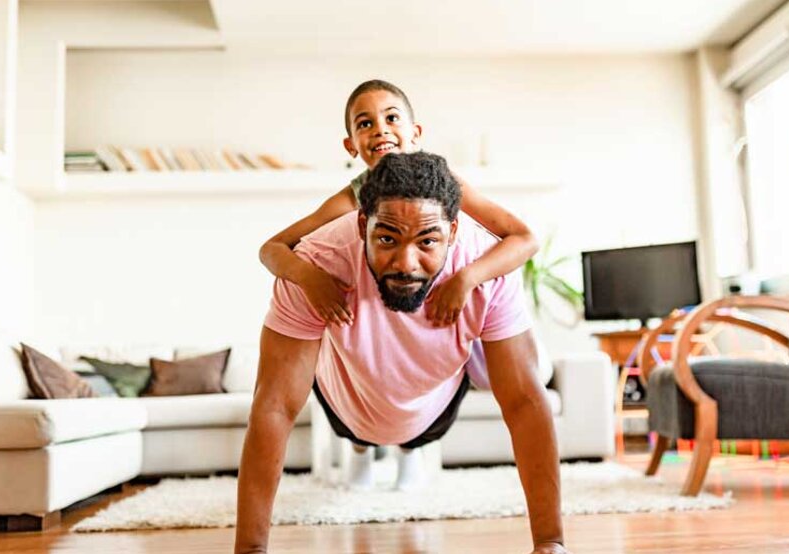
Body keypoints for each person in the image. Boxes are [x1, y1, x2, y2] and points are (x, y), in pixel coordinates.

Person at [235, 152, 566, 554]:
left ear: (453, 232)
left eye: (427, 242)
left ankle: (402, 448)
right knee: (348, 423)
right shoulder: (317, 264)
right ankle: (362, 448)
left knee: (511, 369)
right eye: (387, 239)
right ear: (362, 224)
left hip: (433, 407)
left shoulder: (486, 268)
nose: (406, 264)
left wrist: (550, 542)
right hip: (346, 406)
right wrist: (250, 550)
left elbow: (525, 402)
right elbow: (274, 405)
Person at [258, 79, 539, 487]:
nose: (380, 130)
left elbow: (524, 238)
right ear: (351, 145)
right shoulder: (350, 200)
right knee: (355, 363)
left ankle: (411, 449)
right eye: (365, 123)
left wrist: (467, 278)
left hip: (429, 336)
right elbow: (271, 249)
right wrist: (309, 277)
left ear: (416, 133)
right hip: (368, 337)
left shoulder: (446, 187)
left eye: (391, 118)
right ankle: (360, 447)